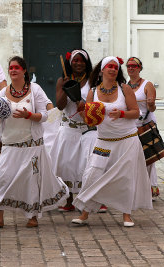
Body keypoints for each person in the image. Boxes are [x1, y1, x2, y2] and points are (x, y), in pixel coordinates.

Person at [0, 56, 69, 228]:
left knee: (31, 181)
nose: (13, 70)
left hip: (32, 146)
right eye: (11, 68)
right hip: (10, 145)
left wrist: (28, 115)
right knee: (3, 177)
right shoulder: (2, 93)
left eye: (16, 68)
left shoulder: (34, 90)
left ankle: (32, 215)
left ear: (23, 71)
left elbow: (45, 115)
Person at [71, 56, 153, 227]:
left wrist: (122, 114)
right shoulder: (93, 92)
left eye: (116, 67)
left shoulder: (125, 89)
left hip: (127, 140)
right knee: (92, 173)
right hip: (103, 141)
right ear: (102, 70)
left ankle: (127, 215)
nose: (113, 69)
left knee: (126, 178)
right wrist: (83, 114)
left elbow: (136, 112)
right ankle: (85, 213)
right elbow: (89, 120)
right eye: (110, 66)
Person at [50, 49, 105, 212]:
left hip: (89, 129)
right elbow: (59, 105)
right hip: (69, 129)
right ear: (70, 63)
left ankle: (95, 199)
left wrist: (86, 106)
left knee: (91, 164)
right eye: (75, 61)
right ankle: (68, 200)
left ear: (86, 63)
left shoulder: (93, 81)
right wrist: (67, 88)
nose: (79, 64)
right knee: (67, 165)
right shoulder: (62, 80)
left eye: (82, 61)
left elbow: (98, 103)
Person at [126, 57, 159, 200]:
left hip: (146, 124)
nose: (131, 68)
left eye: (134, 66)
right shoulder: (124, 86)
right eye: (128, 66)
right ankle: (137, 187)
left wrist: (151, 103)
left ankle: (151, 188)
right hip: (131, 126)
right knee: (133, 158)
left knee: (149, 158)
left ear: (139, 68)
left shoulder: (147, 84)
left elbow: (152, 108)